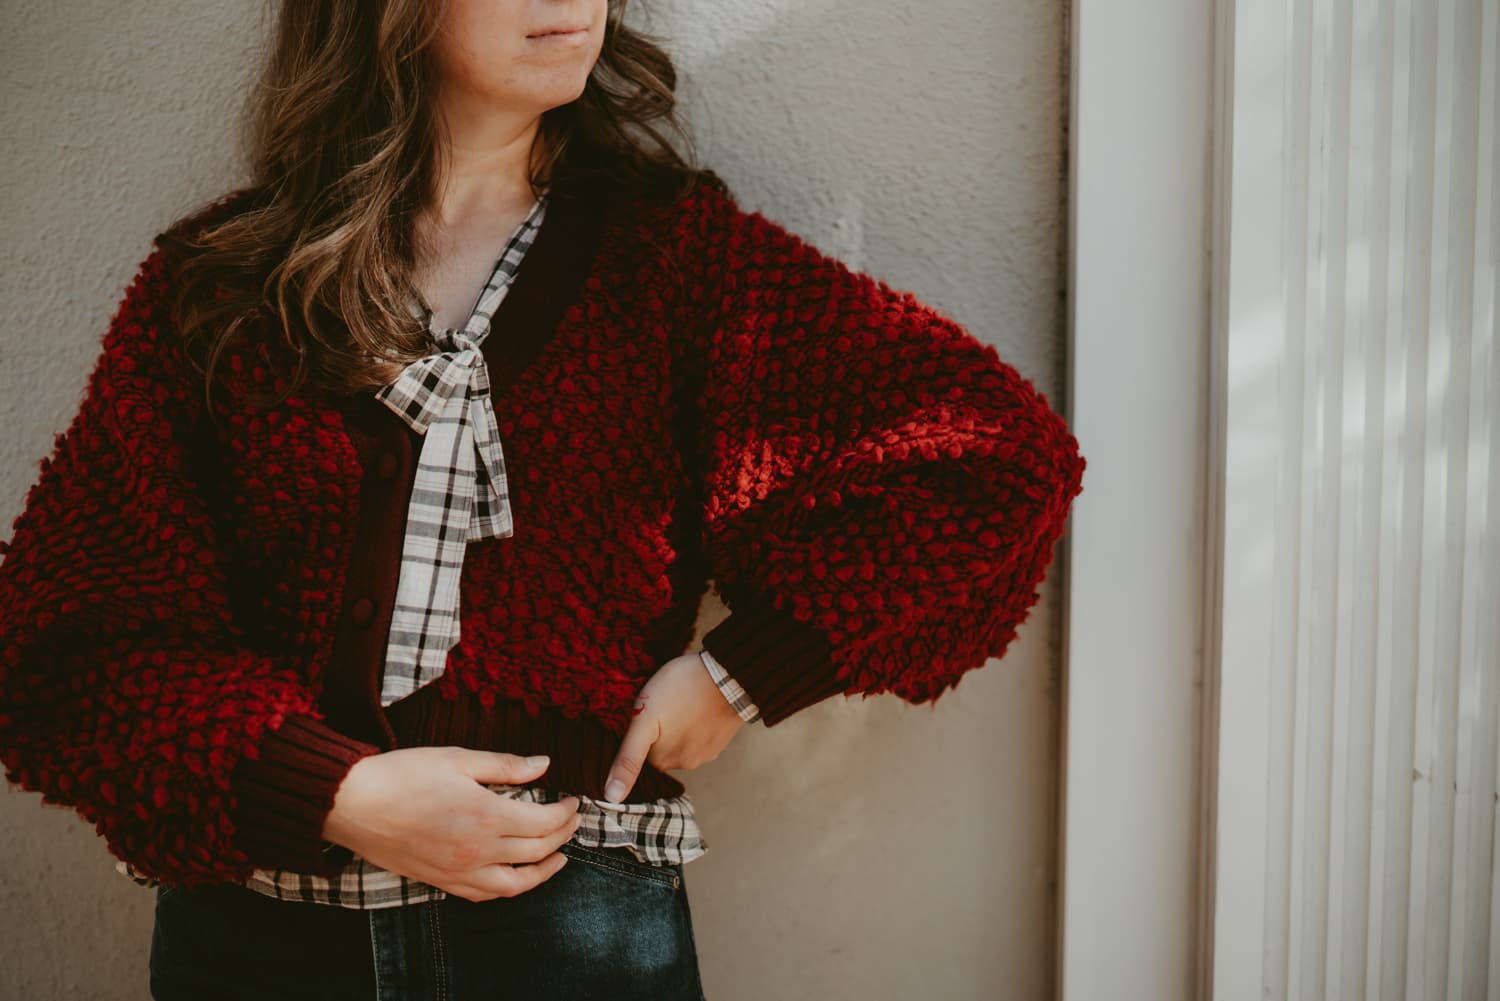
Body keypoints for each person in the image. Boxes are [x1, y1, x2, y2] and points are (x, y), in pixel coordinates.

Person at [0, 1, 1086, 999]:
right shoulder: (224, 286)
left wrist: (741, 672)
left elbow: (993, 459)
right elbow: (70, 636)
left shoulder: (672, 263)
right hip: (262, 933)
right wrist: (334, 791)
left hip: (573, 930)